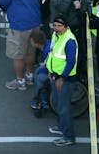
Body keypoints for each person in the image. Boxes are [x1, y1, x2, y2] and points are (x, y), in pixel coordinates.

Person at [31, 15, 80, 145]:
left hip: (64, 79)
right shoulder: (55, 35)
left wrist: (62, 78)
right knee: (58, 104)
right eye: (55, 25)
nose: (57, 28)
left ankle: (69, 137)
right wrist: (50, 71)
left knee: (64, 108)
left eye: (60, 26)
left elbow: (71, 62)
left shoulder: (69, 41)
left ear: (66, 27)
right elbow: (52, 54)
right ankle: (62, 127)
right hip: (54, 76)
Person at [0, 0, 42, 89]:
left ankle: (20, 81)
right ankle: (29, 76)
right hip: (34, 21)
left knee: (18, 54)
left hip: (19, 23)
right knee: (31, 51)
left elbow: (4, 1)